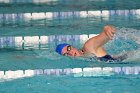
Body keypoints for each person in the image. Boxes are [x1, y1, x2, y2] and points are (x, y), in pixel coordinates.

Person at [55, 25, 126, 62]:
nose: (70, 52)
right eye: (66, 54)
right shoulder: (84, 58)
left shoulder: (89, 47)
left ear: (72, 46)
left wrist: (107, 28)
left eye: (69, 48)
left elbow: (107, 33)